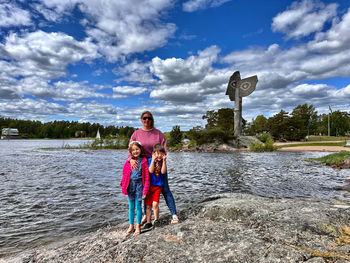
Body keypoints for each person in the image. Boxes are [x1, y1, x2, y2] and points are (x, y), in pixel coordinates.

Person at [128, 111, 179, 224]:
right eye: (145, 118)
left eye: (149, 118)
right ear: (141, 119)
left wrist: (160, 160)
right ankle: (147, 216)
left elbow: (164, 151)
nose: (147, 120)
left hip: (158, 166)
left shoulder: (158, 134)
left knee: (165, 189)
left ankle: (174, 214)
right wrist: (131, 160)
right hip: (143, 167)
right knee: (145, 190)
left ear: (152, 120)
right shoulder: (136, 134)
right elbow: (130, 150)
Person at [120, 141, 150, 237]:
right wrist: (123, 184)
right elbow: (125, 173)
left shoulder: (144, 161)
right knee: (131, 206)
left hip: (139, 186)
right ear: (130, 152)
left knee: (138, 206)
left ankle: (138, 226)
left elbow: (147, 177)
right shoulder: (128, 162)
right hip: (130, 186)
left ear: (140, 150)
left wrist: (145, 190)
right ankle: (131, 225)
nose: (135, 151)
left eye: (137, 149)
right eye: (133, 150)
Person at [143, 144, 166, 230]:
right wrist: (153, 160)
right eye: (157, 153)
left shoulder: (161, 162)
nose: (159, 155)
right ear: (153, 153)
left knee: (155, 204)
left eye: (161, 153)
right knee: (148, 205)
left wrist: (164, 161)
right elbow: (150, 170)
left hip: (157, 186)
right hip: (149, 186)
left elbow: (163, 172)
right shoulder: (149, 160)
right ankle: (148, 222)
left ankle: (156, 220)